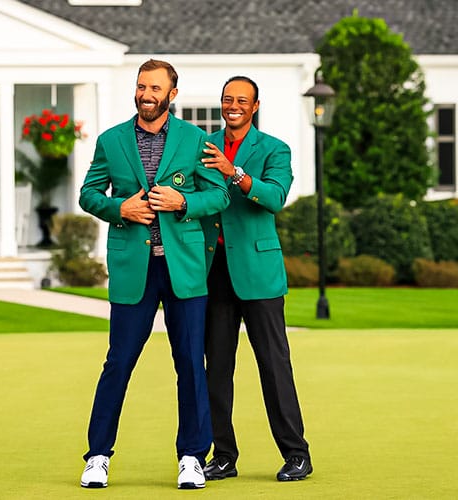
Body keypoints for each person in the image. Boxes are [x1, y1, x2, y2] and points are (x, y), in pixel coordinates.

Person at [78, 59, 230, 490]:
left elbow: (217, 194)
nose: (147, 94)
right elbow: (89, 193)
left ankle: (192, 457)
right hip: (134, 271)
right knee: (119, 363)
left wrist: (183, 203)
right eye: (142, 86)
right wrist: (118, 208)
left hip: (183, 269)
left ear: (172, 95)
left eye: (155, 88)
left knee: (190, 366)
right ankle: (97, 457)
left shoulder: (194, 139)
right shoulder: (111, 141)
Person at [200, 76, 312, 482]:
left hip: (259, 274)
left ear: (255, 106)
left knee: (274, 365)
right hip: (213, 273)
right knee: (216, 369)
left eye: (241, 101)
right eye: (228, 99)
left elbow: (274, 197)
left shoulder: (274, 149)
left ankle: (297, 453)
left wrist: (236, 173)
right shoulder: (202, 145)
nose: (233, 106)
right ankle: (224, 457)